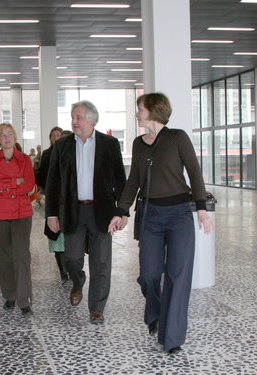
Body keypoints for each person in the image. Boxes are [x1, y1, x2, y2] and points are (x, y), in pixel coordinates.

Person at [108, 92, 213, 355]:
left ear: (153, 110)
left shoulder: (177, 138)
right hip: (151, 215)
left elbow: (194, 172)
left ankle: (172, 338)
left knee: (178, 276)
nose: (136, 113)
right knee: (150, 275)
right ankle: (154, 313)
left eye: (139, 109)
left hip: (179, 215)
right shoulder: (139, 143)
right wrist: (121, 211)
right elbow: (133, 181)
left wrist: (200, 208)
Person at [45, 100, 126, 324]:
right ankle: (78, 282)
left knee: (101, 262)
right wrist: (51, 214)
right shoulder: (62, 146)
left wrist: (123, 211)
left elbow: (120, 180)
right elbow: (53, 183)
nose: (74, 122)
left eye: (78, 117)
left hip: (102, 212)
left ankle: (97, 308)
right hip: (72, 211)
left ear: (92, 120)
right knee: (71, 257)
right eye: (73, 117)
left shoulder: (109, 144)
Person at [0, 123, 35, 315]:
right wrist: (14, 182)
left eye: (9, 134)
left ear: (14, 137)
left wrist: (4, 186)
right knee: (6, 257)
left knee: (22, 255)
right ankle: (9, 296)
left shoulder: (24, 159)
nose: (6, 138)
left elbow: (29, 184)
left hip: (22, 213)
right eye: (2, 135)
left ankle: (24, 299)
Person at [35, 126, 67, 283]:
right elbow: (41, 175)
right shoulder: (47, 154)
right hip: (52, 198)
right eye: (53, 135)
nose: (56, 138)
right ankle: (63, 272)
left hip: (68, 201)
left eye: (58, 135)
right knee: (55, 235)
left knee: (68, 237)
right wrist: (43, 189)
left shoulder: (69, 152)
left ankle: (71, 267)